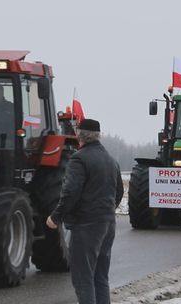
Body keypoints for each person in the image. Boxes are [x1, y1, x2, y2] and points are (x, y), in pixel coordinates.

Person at [46, 119, 123, 304]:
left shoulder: (79, 159)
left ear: (79, 136)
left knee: (83, 280)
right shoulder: (111, 160)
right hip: (107, 224)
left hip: (86, 226)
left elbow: (71, 192)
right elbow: (118, 192)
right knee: (100, 278)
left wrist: (56, 217)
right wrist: (106, 211)